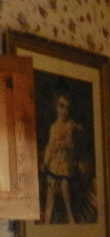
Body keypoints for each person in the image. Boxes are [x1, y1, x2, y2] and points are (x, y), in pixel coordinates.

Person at [41, 87, 82, 224]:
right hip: (54, 165)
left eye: (67, 107)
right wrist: (45, 163)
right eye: (61, 106)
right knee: (51, 188)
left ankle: (71, 217)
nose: (64, 110)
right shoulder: (53, 127)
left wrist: (78, 130)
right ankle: (47, 220)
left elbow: (75, 143)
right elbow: (50, 147)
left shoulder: (70, 125)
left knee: (65, 185)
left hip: (65, 164)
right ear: (56, 107)